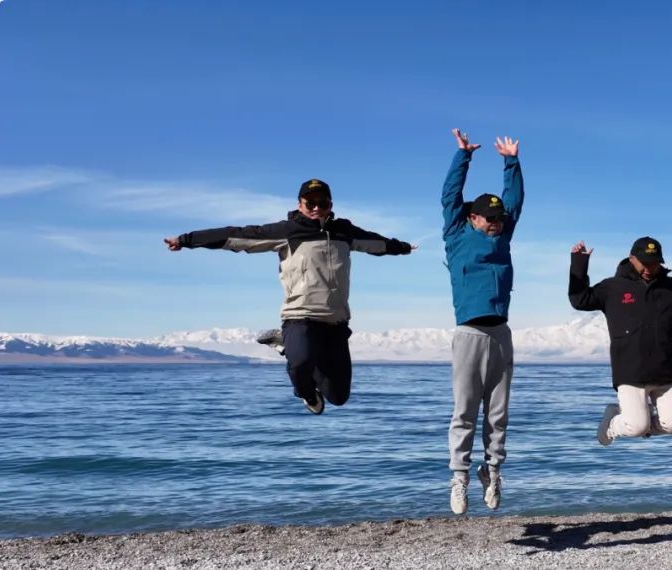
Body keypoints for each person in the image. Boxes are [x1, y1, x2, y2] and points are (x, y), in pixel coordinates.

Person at [163, 178, 414, 414]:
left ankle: (289, 346)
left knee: (338, 397)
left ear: (330, 205)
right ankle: (306, 391)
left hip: (336, 323)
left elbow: (376, 243)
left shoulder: (343, 232)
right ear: (300, 204)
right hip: (300, 317)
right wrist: (187, 240)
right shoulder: (288, 231)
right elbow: (236, 235)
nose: (316, 208)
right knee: (300, 364)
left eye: (322, 203)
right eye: (310, 203)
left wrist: (402, 247)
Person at [442, 128, 523, 515]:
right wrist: (464, 156)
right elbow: (449, 196)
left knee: (498, 413)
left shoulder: (503, 238)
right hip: (469, 334)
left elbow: (514, 200)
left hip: (500, 334)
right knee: (465, 410)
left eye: (499, 218)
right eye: (489, 218)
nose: (496, 223)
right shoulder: (457, 234)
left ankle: (492, 471)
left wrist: (512, 162)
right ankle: (459, 477)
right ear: (472, 218)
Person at [568, 236, 672, 446]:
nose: (649, 268)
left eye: (655, 263)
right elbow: (580, 300)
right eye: (645, 263)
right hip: (630, 371)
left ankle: (640, 421)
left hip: (666, 371)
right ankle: (613, 422)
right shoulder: (612, 288)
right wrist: (579, 262)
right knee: (635, 426)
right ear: (632, 259)